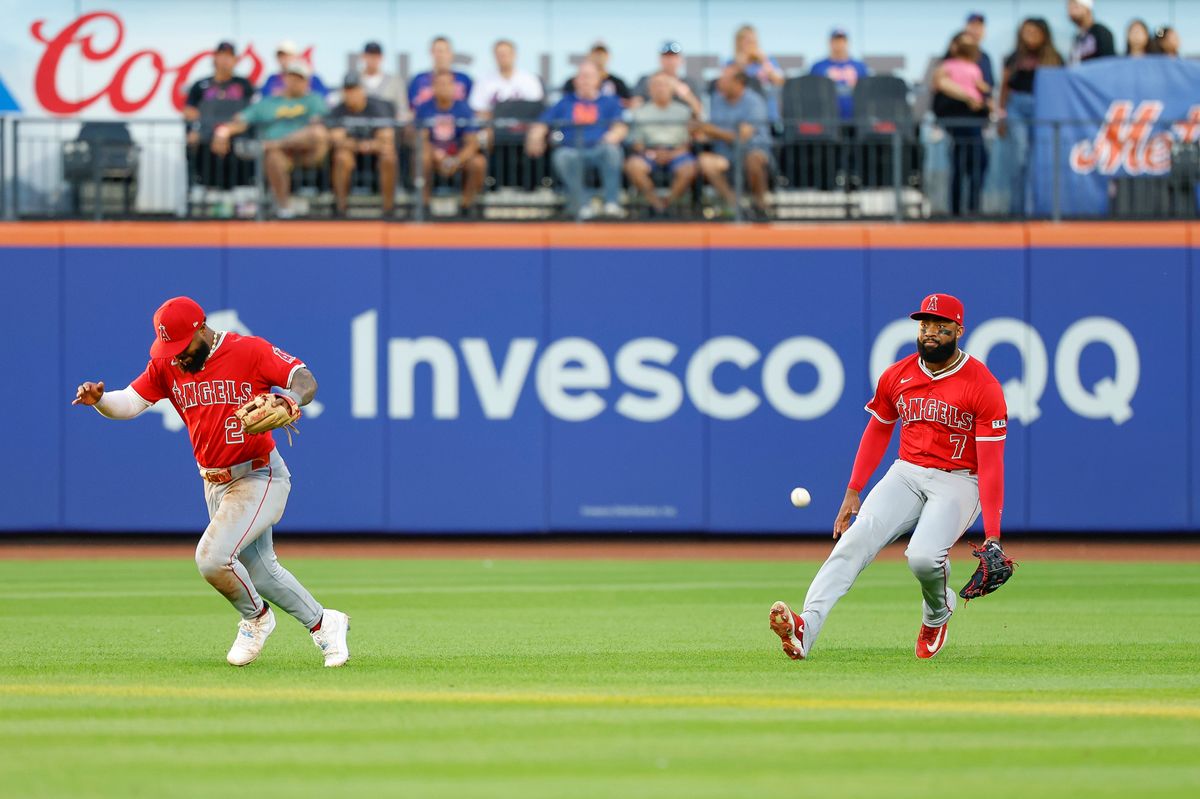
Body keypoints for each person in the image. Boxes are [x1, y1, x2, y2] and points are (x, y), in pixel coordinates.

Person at [72, 296, 351, 668]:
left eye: (182, 346)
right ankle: (324, 623)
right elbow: (129, 403)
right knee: (262, 572)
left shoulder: (248, 350)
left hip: (259, 473)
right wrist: (101, 400)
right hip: (215, 484)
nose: (177, 356)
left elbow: (304, 378)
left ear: (201, 329)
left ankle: (256, 618)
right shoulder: (166, 364)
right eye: (168, 348)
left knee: (212, 558)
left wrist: (290, 400)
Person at [769, 293, 1010, 662]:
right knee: (855, 541)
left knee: (923, 558)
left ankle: (937, 613)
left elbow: (992, 463)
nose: (930, 333)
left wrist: (992, 535)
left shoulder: (983, 385)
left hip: (960, 480)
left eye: (939, 326)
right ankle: (806, 628)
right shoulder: (897, 375)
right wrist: (854, 489)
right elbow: (879, 429)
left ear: (959, 330)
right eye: (924, 325)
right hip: (907, 472)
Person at [211, 61, 329, 219]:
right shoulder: (269, 102)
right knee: (273, 156)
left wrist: (278, 143)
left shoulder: (314, 100)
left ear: (306, 82)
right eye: (292, 77)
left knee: (318, 133)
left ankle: (273, 144)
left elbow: (320, 126)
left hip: (308, 153)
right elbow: (241, 120)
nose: (295, 82)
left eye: (300, 79)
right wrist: (223, 131)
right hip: (280, 155)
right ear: (284, 79)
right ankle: (284, 207)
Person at [526, 60, 627, 220]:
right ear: (575, 80)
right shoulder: (564, 102)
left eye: (590, 76)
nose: (586, 80)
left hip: (599, 148)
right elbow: (542, 123)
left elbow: (620, 126)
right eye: (582, 76)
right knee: (562, 156)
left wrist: (613, 136)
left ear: (598, 80)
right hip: (572, 150)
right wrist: (535, 137)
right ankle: (582, 204)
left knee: (613, 152)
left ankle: (611, 203)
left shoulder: (610, 101)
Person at [998, 18, 1063, 216]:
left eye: (1034, 32)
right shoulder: (1013, 58)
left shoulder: (1055, 58)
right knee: (1020, 157)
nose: (1029, 36)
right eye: (1025, 32)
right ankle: (1017, 211)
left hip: (1043, 107)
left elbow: (1062, 89)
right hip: (1017, 106)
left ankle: (1039, 210)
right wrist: (1001, 116)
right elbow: (1005, 87)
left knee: (1040, 159)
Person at [694, 66, 773, 220]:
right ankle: (737, 206)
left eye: (724, 80)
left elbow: (741, 137)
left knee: (754, 159)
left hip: (751, 151)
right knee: (705, 161)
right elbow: (706, 131)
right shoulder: (716, 99)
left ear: (738, 83)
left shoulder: (754, 102)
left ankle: (761, 207)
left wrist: (712, 130)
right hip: (725, 154)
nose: (718, 83)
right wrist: (700, 131)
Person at [932, 31, 990, 216]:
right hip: (958, 120)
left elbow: (983, 88)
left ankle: (973, 206)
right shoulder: (947, 65)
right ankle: (956, 210)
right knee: (960, 163)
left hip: (974, 120)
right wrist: (968, 97)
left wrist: (982, 97)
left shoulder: (975, 66)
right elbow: (940, 83)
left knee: (978, 162)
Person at [183, 41, 255, 188]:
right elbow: (189, 111)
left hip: (236, 136)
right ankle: (202, 188)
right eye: (222, 56)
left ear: (235, 60)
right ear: (214, 58)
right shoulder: (200, 84)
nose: (225, 60)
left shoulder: (244, 84)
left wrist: (225, 131)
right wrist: (197, 129)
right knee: (193, 142)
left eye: (229, 56)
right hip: (207, 136)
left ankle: (242, 188)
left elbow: (249, 113)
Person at [414, 70, 487, 216]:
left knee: (478, 162)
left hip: (458, 156)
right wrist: (437, 155)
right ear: (433, 87)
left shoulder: (464, 109)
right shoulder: (424, 108)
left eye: (448, 84)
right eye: (440, 84)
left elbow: (472, 142)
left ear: (454, 86)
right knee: (422, 158)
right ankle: (425, 205)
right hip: (434, 156)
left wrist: (456, 160)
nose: (444, 87)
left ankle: (467, 205)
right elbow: (421, 139)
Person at [625, 72, 697, 217]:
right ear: (649, 90)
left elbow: (689, 141)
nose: (660, 89)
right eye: (656, 85)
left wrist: (672, 154)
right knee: (633, 166)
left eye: (664, 85)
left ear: (672, 89)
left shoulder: (683, 111)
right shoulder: (641, 112)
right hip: (649, 153)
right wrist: (652, 154)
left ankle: (668, 204)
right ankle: (656, 204)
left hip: (677, 152)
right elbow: (636, 142)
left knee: (689, 169)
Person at [328, 73, 397, 217]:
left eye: (354, 89)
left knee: (389, 155)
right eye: (347, 90)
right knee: (342, 156)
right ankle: (341, 208)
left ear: (362, 90)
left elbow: (387, 138)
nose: (351, 94)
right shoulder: (338, 111)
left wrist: (360, 145)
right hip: (352, 158)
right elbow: (337, 139)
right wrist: (364, 145)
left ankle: (389, 209)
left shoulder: (378, 107)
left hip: (374, 158)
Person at [468, 39, 545, 121]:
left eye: (506, 54)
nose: (503, 58)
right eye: (500, 55)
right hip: (494, 127)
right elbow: (477, 109)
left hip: (523, 126)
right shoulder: (483, 80)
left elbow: (536, 109)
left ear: (514, 55)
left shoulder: (530, 79)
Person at [808, 28, 869, 120]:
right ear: (830, 43)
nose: (839, 44)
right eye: (836, 41)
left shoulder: (859, 66)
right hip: (827, 119)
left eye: (842, 41)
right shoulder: (818, 67)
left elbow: (866, 92)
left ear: (847, 43)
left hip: (855, 119)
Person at [632, 41, 704, 117]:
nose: (670, 60)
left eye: (673, 57)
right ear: (660, 59)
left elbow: (699, 112)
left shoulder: (689, 82)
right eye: (666, 56)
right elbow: (635, 107)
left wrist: (687, 95)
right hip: (652, 122)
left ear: (681, 60)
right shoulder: (646, 80)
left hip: (680, 124)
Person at [728, 24, 784, 117]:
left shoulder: (767, 60)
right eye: (747, 41)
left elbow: (780, 81)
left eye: (753, 41)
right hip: (741, 114)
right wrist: (740, 65)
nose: (751, 45)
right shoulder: (731, 63)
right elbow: (726, 87)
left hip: (767, 113)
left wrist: (764, 61)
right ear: (739, 42)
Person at [408, 36, 473, 109]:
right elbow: (411, 109)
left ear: (451, 53)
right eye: (438, 51)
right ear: (431, 53)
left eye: (445, 51)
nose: (441, 55)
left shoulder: (464, 79)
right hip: (425, 118)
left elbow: (473, 108)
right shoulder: (418, 80)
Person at [562, 42, 632, 106]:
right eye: (596, 54)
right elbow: (566, 103)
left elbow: (629, 102)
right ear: (589, 56)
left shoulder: (617, 82)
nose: (599, 58)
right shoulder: (573, 82)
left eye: (601, 55)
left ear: (608, 57)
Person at [358, 41, 409, 121]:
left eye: (376, 56)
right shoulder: (355, 80)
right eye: (370, 55)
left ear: (381, 57)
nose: (372, 59)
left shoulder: (394, 81)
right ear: (363, 57)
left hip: (388, 129)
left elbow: (402, 109)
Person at [260, 40, 329, 98]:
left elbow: (322, 97)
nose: (283, 59)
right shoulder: (272, 79)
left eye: (287, 56)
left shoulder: (312, 78)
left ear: (296, 56)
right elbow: (266, 98)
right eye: (280, 56)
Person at [1068, 0, 1116, 64]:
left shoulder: (1101, 32)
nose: (1071, 11)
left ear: (1087, 8)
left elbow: (1108, 64)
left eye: (1075, 6)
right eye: (1069, 7)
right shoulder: (1077, 37)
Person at [964, 13, 995, 95]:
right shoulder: (956, 53)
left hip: (979, 104)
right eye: (973, 26)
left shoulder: (985, 57)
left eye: (980, 26)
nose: (976, 30)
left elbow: (989, 87)